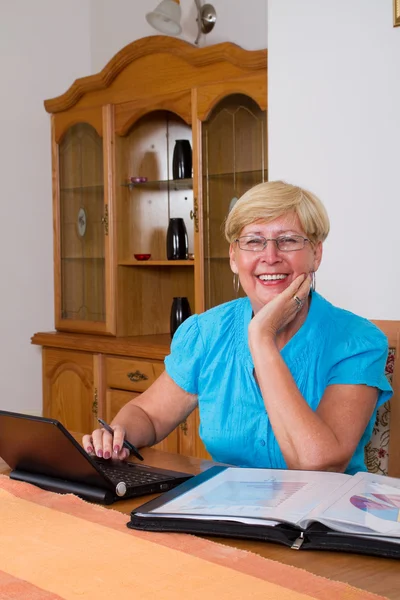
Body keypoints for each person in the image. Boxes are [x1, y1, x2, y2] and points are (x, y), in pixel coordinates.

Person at [83, 181, 392, 474]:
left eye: (287, 240)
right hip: (228, 511)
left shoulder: (358, 342)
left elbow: (319, 465)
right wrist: (118, 438)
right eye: (254, 242)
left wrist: (261, 337)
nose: (270, 257)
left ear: (316, 254)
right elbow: (149, 415)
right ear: (234, 257)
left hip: (320, 519)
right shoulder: (207, 333)